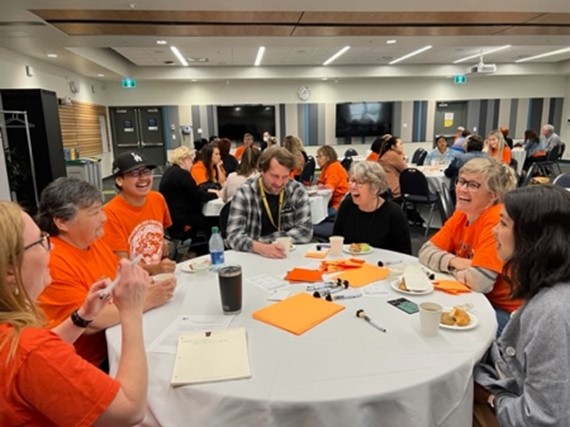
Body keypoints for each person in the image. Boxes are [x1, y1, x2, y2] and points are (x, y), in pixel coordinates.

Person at [0, 200, 149, 426]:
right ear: (10, 269)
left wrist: (82, 317)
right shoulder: (29, 349)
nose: (51, 248)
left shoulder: (16, 342)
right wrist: (131, 310)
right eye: (41, 241)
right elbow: (130, 410)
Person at [36, 177, 175, 368]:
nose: (104, 218)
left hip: (115, 340)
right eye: (95, 213)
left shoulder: (92, 242)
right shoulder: (52, 261)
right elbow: (90, 322)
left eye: (101, 209)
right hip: (87, 363)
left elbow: (119, 278)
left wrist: (146, 283)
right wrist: (147, 299)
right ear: (62, 222)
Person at [473, 185, 570, 427]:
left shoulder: (551, 311)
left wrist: (492, 398)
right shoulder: (550, 288)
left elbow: (543, 418)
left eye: (503, 224)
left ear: (534, 237)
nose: (494, 231)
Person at [418, 157, 521, 335]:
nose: (463, 189)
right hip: (474, 298)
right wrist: (457, 262)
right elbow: (424, 252)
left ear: (492, 195)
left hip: (505, 312)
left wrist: (449, 267)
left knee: (444, 332)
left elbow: (480, 282)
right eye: (461, 181)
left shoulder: (495, 221)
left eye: (473, 185)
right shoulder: (462, 214)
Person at [226, 146, 312, 258]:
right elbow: (233, 236)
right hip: (253, 257)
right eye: (274, 176)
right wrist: (260, 248)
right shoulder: (245, 192)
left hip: (287, 256)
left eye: (285, 177)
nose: (279, 183)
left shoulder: (297, 191)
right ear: (262, 171)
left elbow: (305, 232)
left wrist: (260, 242)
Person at [102, 151, 176, 275]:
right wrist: (155, 269)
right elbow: (122, 263)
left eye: (146, 172)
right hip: (131, 282)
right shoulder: (110, 213)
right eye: (135, 173)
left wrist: (164, 241)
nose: (143, 178)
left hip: (160, 276)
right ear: (119, 180)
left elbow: (160, 232)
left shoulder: (157, 199)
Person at [333, 161, 411, 254]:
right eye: (352, 181)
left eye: (360, 182)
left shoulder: (394, 214)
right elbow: (337, 240)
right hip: (349, 264)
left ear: (375, 188)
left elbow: (404, 254)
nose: (353, 186)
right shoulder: (347, 206)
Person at [159, 146, 219, 241]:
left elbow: (191, 191)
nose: (192, 163)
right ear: (183, 160)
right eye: (191, 159)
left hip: (173, 220)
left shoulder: (170, 172)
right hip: (183, 221)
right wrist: (216, 195)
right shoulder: (182, 174)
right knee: (216, 221)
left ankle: (194, 251)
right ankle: (202, 250)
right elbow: (198, 196)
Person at [316, 145, 349, 212]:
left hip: (340, 204)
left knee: (317, 215)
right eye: (317, 157)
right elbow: (320, 183)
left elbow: (329, 188)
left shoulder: (334, 167)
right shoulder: (325, 168)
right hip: (332, 202)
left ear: (328, 158)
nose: (317, 159)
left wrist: (322, 186)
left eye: (320, 156)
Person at [378, 136, 407, 200]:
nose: (402, 146)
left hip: (385, 187)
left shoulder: (386, 154)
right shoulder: (393, 156)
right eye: (400, 144)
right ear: (393, 146)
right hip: (394, 189)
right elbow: (406, 170)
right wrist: (401, 154)